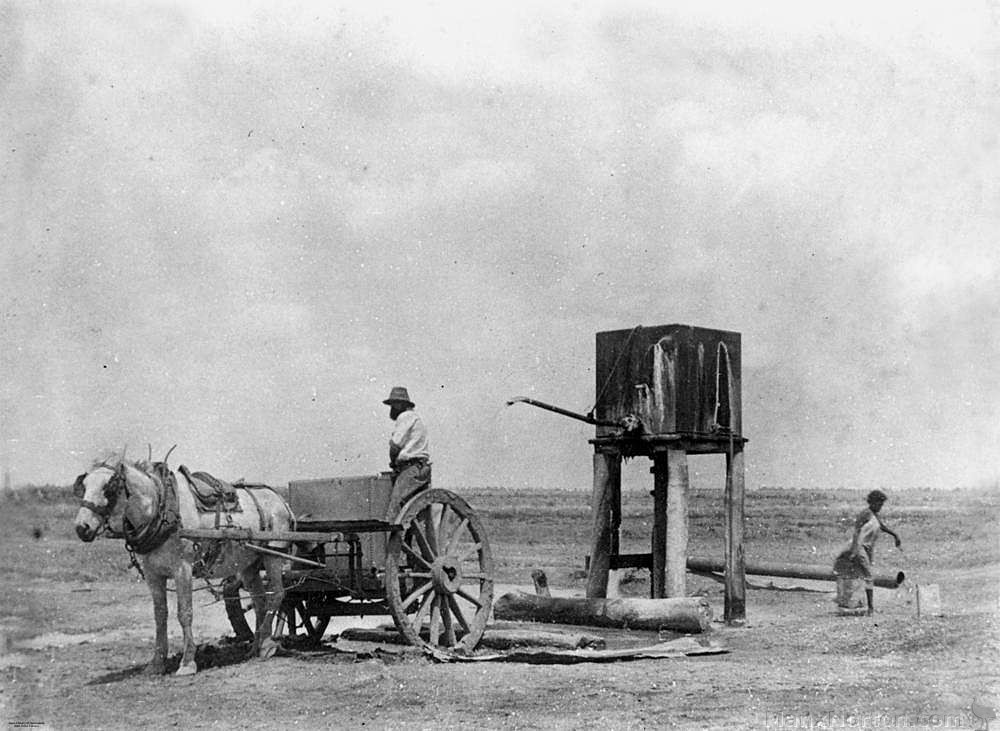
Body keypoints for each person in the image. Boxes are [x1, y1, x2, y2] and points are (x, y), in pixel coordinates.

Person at [849, 489, 902, 616]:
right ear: (872, 502)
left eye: (882, 505)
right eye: (879, 504)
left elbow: (881, 526)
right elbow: (856, 531)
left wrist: (895, 535)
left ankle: (860, 603)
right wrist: (854, 549)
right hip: (860, 547)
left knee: (864, 575)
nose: (880, 507)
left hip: (868, 549)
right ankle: (871, 609)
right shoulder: (865, 514)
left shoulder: (874, 514)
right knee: (869, 576)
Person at [383, 386, 431, 518]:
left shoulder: (405, 416)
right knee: (420, 513)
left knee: (395, 509)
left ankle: (393, 538)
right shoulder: (417, 418)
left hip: (410, 469)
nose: (392, 408)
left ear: (400, 404)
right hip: (422, 469)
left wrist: (393, 462)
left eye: (393, 404)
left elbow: (395, 445)